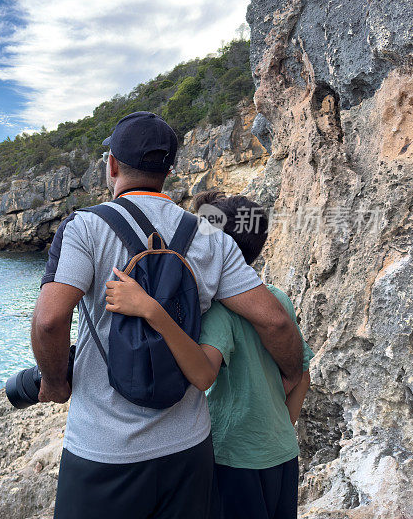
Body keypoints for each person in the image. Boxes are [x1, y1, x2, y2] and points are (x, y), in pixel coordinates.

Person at [31, 111, 304, 519]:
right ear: (169, 171)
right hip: (187, 449)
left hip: (104, 450)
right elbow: (275, 321)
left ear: (113, 165)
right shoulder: (210, 236)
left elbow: (49, 320)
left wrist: (55, 383)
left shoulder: (86, 227)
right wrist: (293, 372)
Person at [106, 190, 313, 519]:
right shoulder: (276, 299)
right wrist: (279, 427)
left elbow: (203, 374)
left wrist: (152, 311)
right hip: (283, 453)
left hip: (234, 459)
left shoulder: (219, 312)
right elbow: (303, 373)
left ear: (213, 249)